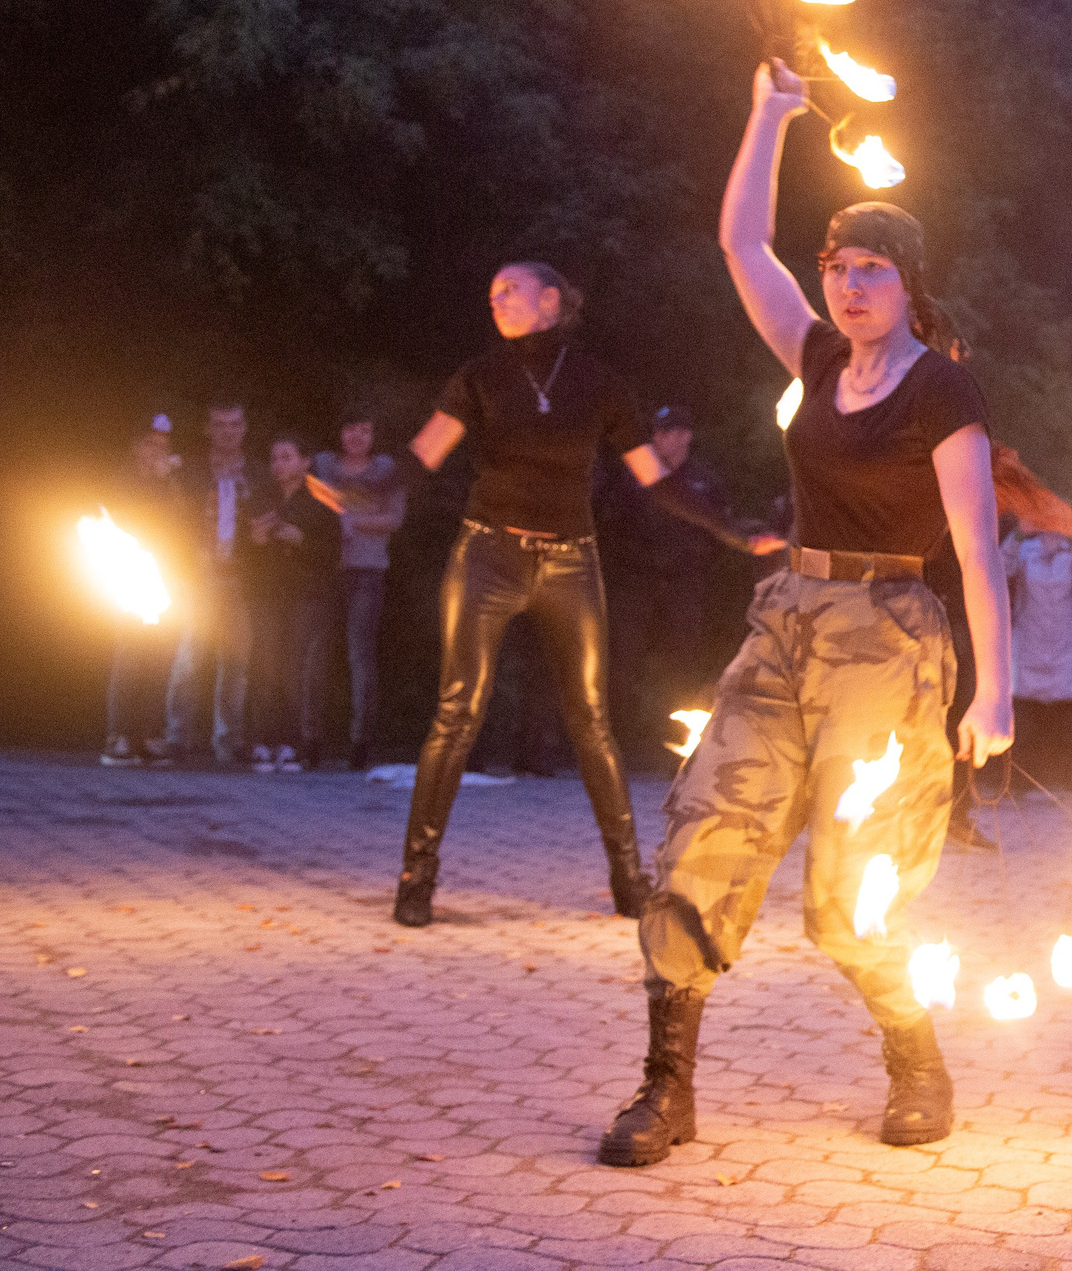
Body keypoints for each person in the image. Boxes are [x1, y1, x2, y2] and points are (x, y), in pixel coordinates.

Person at [600, 58, 1014, 1165]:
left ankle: (914, 1056)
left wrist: (997, 690)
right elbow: (741, 246)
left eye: (869, 268)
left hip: (891, 633)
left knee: (852, 893)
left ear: (910, 283)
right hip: (786, 618)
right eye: (835, 266)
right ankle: (666, 1087)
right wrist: (769, 114)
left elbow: (975, 547)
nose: (845, 285)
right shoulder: (820, 356)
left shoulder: (943, 389)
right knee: (703, 845)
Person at [332, 262, 720, 928]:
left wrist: (737, 530)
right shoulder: (480, 376)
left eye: (511, 290)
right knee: (457, 712)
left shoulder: (598, 382)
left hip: (571, 561)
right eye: (491, 294)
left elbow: (654, 479)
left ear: (551, 300)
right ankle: (416, 878)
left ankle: (630, 879)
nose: (497, 299)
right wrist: (364, 486)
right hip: (487, 556)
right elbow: (422, 456)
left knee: (592, 719)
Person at [601, 403, 776, 756]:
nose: (664, 439)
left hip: (684, 585)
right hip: (636, 582)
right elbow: (608, 523)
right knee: (623, 660)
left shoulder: (703, 481)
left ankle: (674, 747)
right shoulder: (632, 476)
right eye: (660, 432)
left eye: (672, 432)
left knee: (679, 665)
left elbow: (720, 524)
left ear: (686, 436)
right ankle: (617, 743)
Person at [153, 395, 255, 767]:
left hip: (242, 577)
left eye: (234, 425)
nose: (227, 433)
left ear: (244, 429)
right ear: (208, 430)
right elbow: (175, 519)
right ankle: (177, 738)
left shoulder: (256, 474)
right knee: (190, 656)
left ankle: (227, 742)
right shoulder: (191, 471)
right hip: (199, 576)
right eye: (220, 425)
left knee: (237, 662)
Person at [311, 410, 406, 770]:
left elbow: (394, 519)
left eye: (365, 430)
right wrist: (335, 523)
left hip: (367, 568)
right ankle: (310, 740)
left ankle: (360, 742)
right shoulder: (323, 465)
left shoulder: (385, 470)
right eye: (351, 429)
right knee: (316, 652)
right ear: (340, 432)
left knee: (359, 654)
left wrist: (351, 522)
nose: (357, 437)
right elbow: (313, 507)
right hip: (324, 569)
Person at [246, 433, 339, 772]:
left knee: (296, 669)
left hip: (307, 592)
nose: (278, 465)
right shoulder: (262, 497)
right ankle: (262, 741)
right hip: (270, 590)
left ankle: (292, 743)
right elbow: (246, 549)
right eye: (274, 458)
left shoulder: (322, 497)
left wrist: (302, 539)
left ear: (304, 461)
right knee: (266, 665)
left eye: (286, 457)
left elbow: (334, 551)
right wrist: (255, 537)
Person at [100, 414, 186, 768]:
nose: (158, 452)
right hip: (132, 574)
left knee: (160, 659)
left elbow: (183, 519)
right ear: (137, 447)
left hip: (167, 575)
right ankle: (118, 737)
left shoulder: (172, 482)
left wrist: (169, 484)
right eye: (151, 444)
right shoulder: (124, 480)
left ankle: (150, 735)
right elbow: (124, 522)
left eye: (164, 446)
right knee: (130, 656)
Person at [1003, 524, 1072, 789]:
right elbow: (1001, 567)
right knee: (1029, 719)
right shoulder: (1025, 550)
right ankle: (1023, 784)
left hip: (1069, 646)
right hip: (1031, 642)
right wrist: (1017, 535)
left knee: (1069, 721)